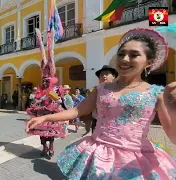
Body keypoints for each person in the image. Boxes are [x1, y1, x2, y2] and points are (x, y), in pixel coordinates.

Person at [26, 28, 176, 179]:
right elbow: (77, 110)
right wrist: (44, 118)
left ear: (148, 63)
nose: (124, 59)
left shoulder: (157, 93)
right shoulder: (101, 89)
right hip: (98, 154)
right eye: (121, 54)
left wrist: (174, 107)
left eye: (134, 55)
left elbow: (173, 136)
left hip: (135, 160)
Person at [26, 28, 67, 159]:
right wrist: (38, 100)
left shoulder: (55, 89)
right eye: (43, 81)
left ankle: (51, 148)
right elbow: (35, 102)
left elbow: (61, 102)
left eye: (46, 81)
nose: (44, 82)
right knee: (41, 134)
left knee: (52, 134)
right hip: (41, 117)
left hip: (52, 116)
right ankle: (44, 148)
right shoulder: (39, 90)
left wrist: (57, 99)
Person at [91, 65, 118, 133]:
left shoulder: (119, 90)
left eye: (106, 74)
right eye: (101, 75)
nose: (104, 76)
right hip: (97, 121)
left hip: (115, 124)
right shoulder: (95, 90)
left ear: (113, 76)